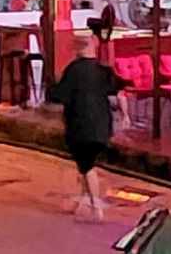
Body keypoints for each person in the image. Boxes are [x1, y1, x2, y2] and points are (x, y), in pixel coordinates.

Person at [47, 31, 128, 219]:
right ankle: (82, 202)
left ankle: (95, 206)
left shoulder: (73, 71)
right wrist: (125, 116)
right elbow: (119, 93)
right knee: (85, 164)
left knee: (87, 166)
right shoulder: (103, 71)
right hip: (102, 126)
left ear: (78, 50)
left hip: (80, 127)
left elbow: (59, 96)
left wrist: (52, 87)